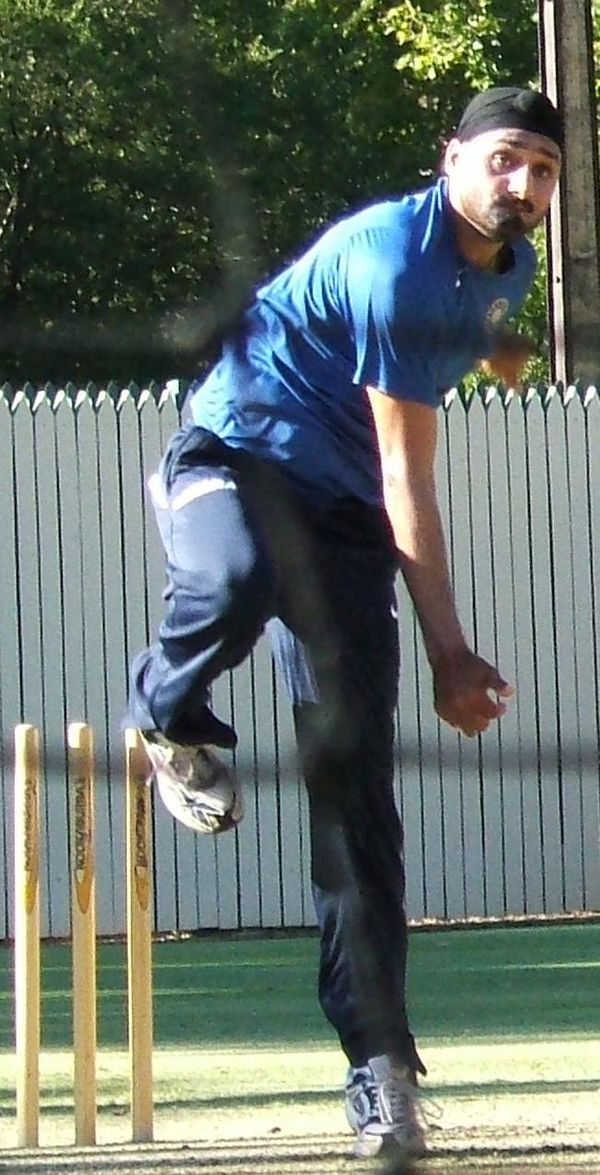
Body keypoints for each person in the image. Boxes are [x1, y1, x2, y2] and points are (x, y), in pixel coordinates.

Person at [127, 85, 562, 1160]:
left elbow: (487, 335)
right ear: (450, 157)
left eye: (544, 170)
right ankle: (167, 711)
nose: (524, 186)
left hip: (343, 527)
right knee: (232, 582)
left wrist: (506, 359)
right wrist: (450, 655)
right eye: (505, 159)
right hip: (234, 460)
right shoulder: (393, 263)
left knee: (357, 792)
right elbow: (410, 476)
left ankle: (379, 1067)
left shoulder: (506, 265)